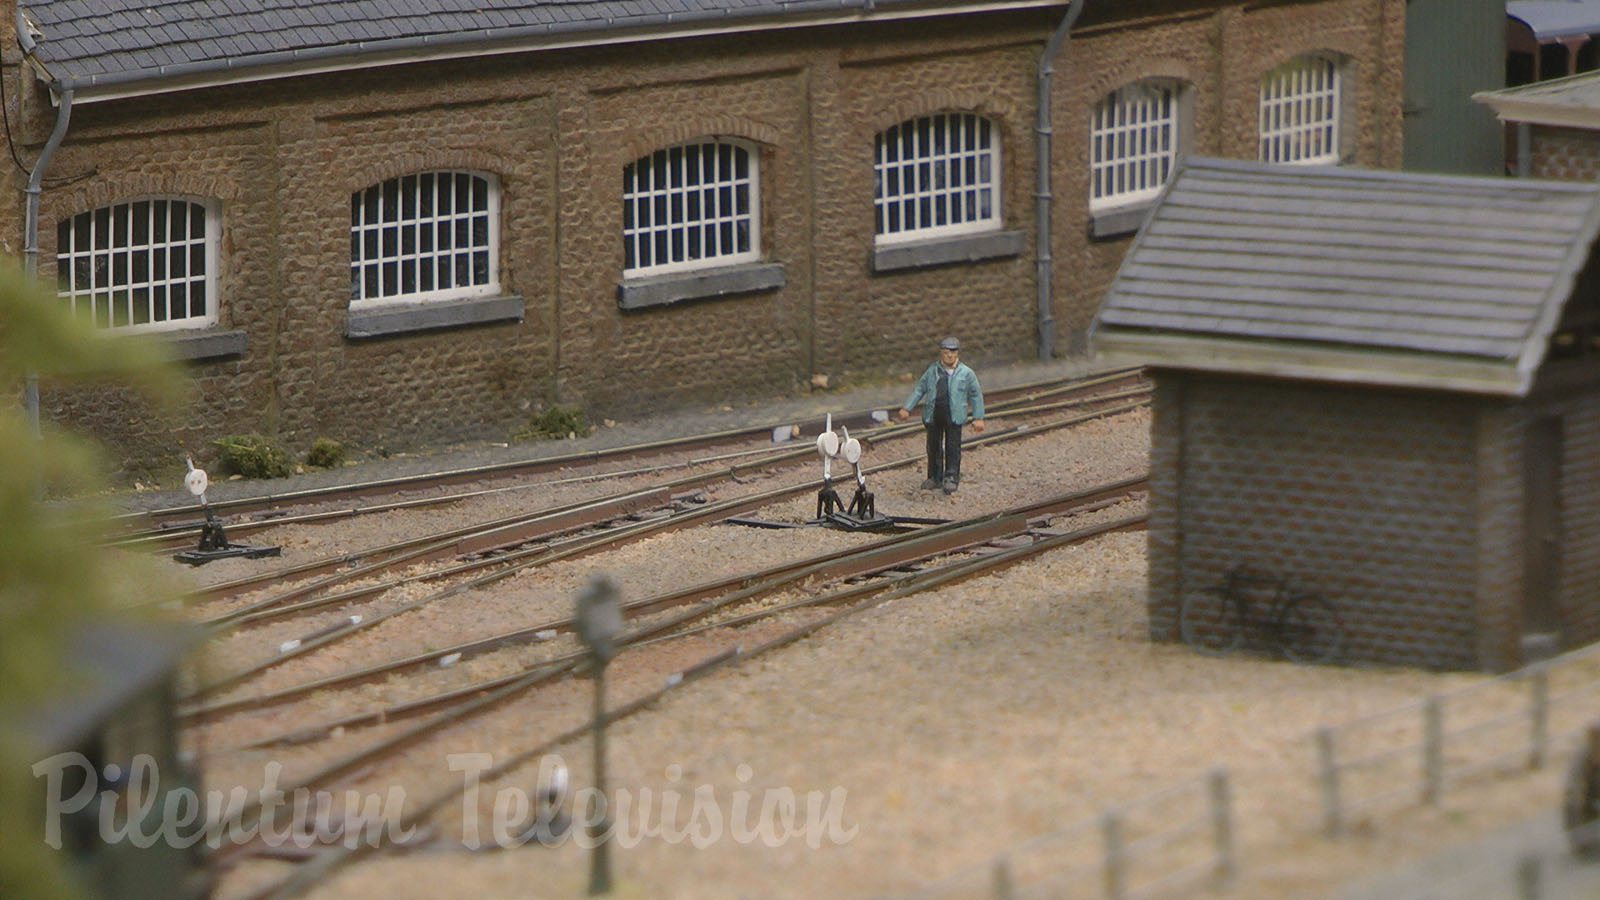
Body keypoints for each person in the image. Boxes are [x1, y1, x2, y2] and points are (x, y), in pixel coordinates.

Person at [896, 336, 984, 494]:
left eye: (953, 352)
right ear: (941, 354)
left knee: (953, 447)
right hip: (934, 415)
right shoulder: (932, 371)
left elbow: (976, 395)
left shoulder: (966, 373)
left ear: (957, 354)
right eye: (946, 352)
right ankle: (934, 477)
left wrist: (978, 417)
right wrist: (907, 408)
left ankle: (951, 476)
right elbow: (919, 389)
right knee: (933, 447)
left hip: (954, 416)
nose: (949, 356)